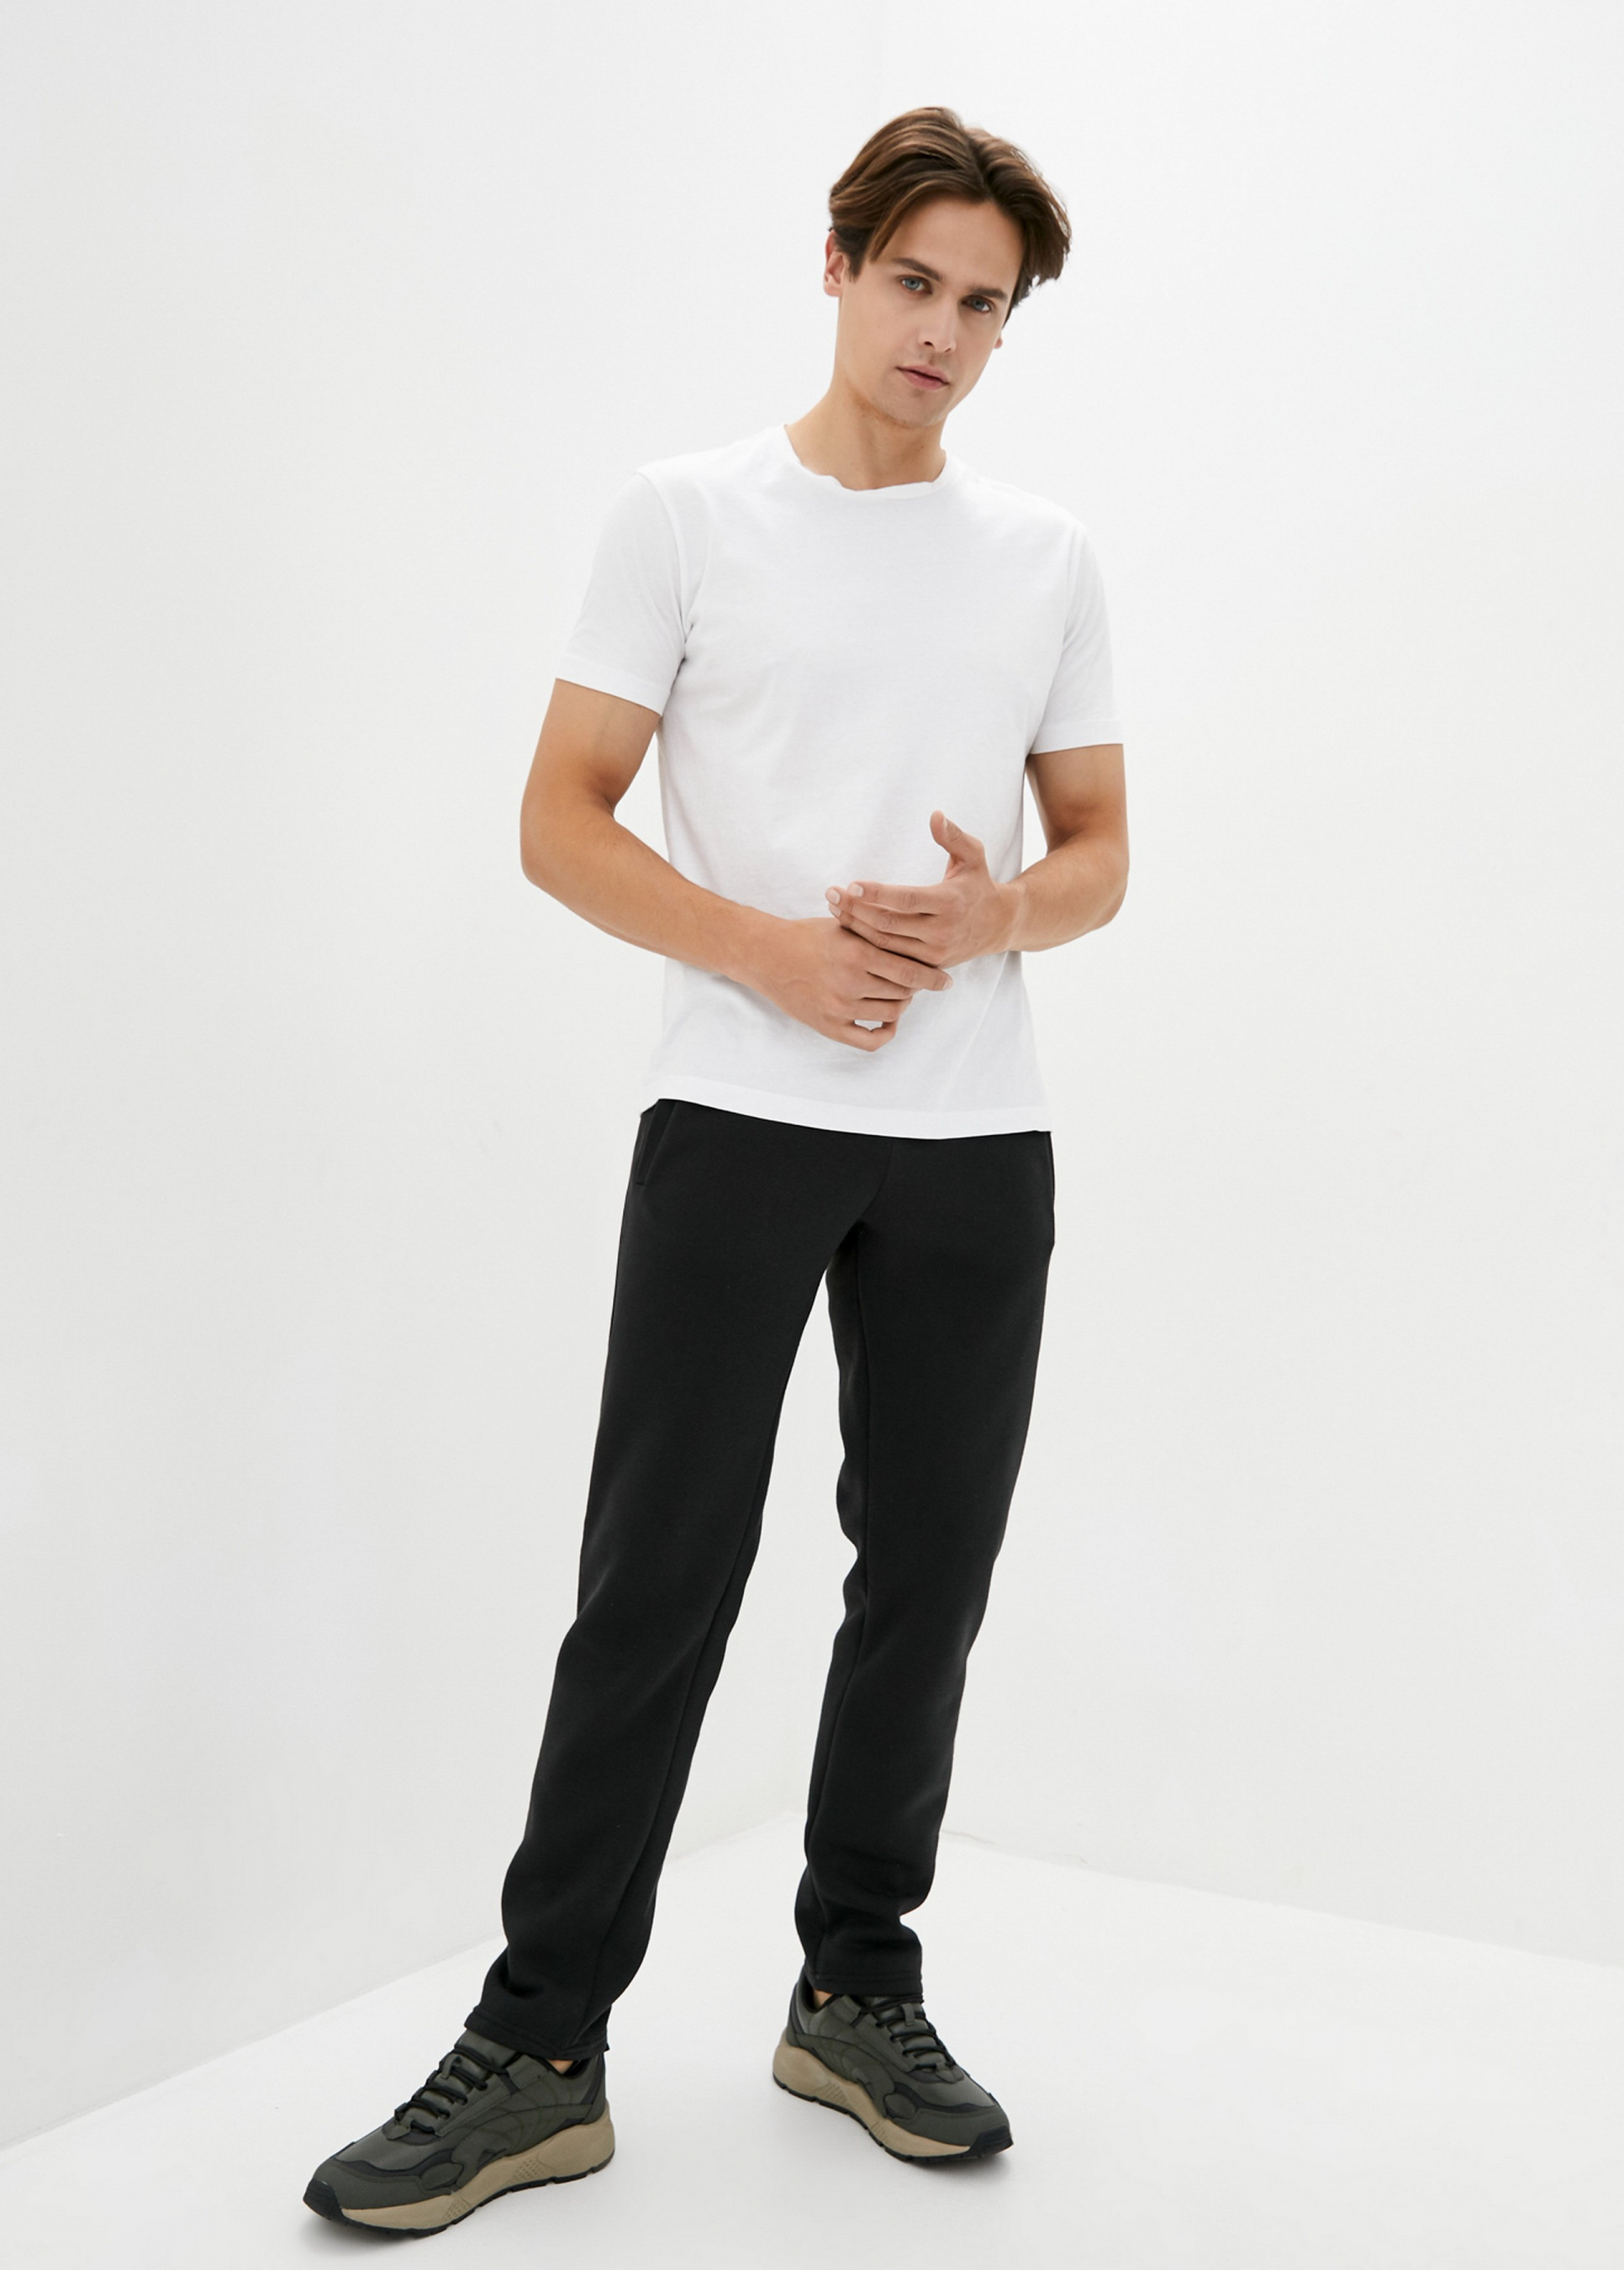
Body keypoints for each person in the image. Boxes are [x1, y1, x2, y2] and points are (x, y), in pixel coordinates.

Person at [305, 103, 1126, 2236]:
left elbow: (1099, 853)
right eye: (913, 282)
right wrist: (766, 951)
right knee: (656, 1581)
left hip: (972, 1141)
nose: (940, 331)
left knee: (924, 1579)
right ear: (837, 267)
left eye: (983, 305)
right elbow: (558, 817)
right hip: (738, 1121)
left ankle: (856, 1990)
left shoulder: (1041, 556)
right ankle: (539, 2044)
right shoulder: (682, 517)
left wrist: (997, 914)